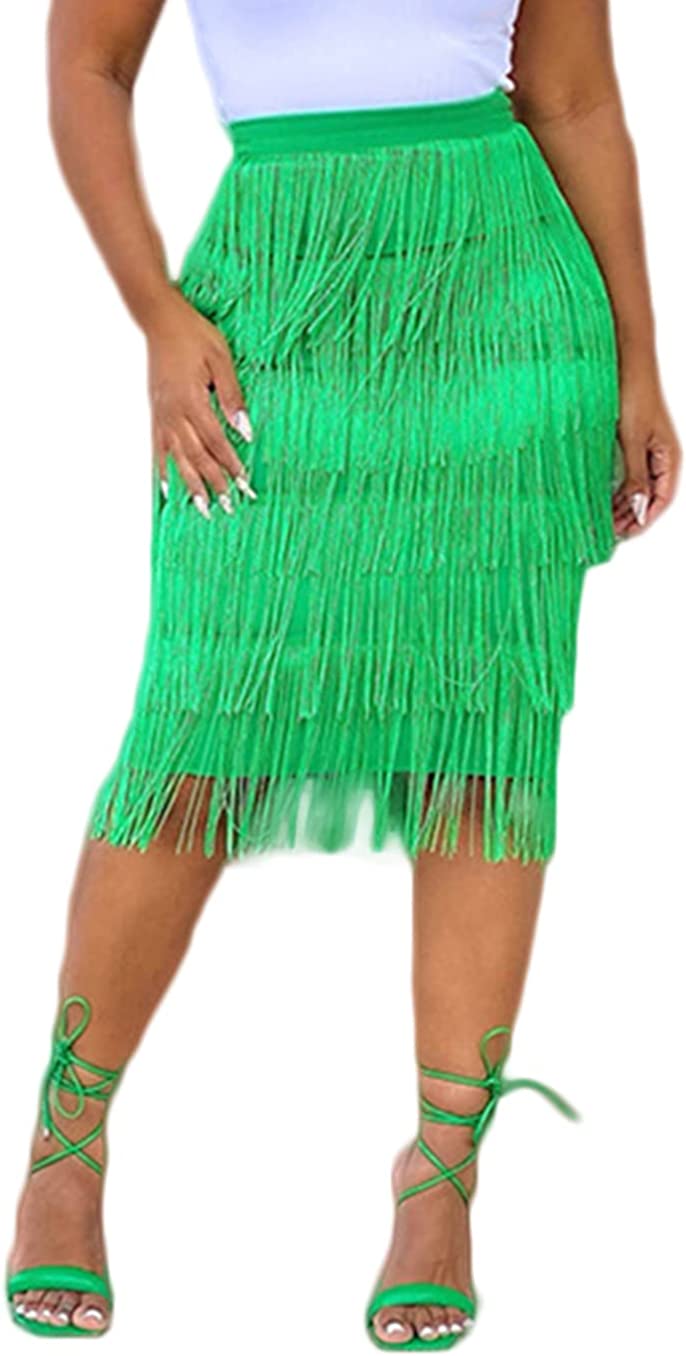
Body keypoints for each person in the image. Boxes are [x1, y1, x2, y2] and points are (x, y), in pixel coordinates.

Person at [6, 0, 680, 1346]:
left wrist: (636, 364)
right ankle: (65, 1148)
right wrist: (157, 316)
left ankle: (441, 1178)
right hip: (277, 295)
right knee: (197, 740)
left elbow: (573, 100)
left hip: (505, 314)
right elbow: (87, 66)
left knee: (482, 749)